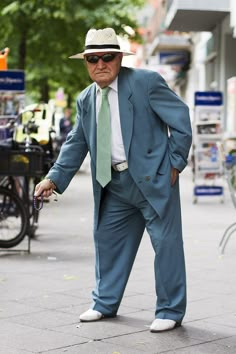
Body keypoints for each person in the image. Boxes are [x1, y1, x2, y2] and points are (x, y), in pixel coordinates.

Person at [34, 28, 192, 333]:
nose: (100, 64)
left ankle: (170, 310)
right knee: (107, 243)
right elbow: (76, 141)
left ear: (119, 58)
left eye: (107, 57)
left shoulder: (146, 83)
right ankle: (105, 303)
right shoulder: (85, 99)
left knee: (166, 245)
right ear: (86, 63)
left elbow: (180, 119)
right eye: (93, 58)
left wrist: (175, 163)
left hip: (153, 180)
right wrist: (53, 177)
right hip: (113, 184)